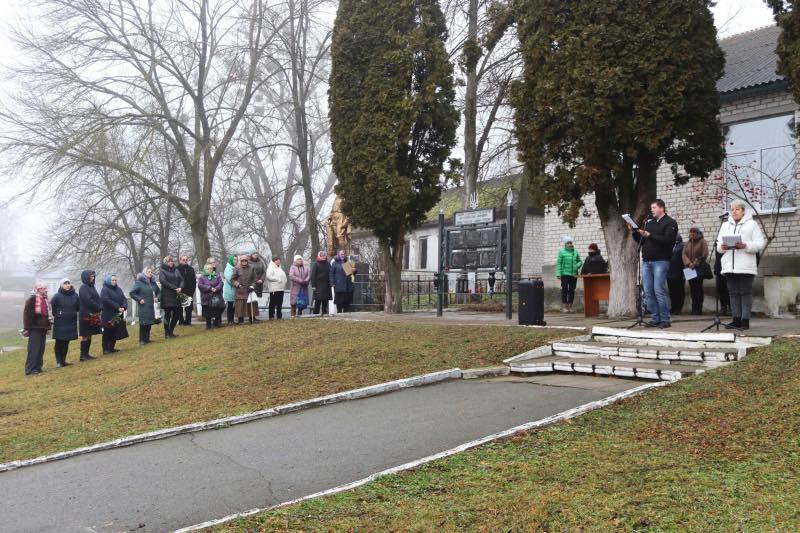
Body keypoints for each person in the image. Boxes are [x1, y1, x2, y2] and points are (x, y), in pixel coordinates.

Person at [717, 200, 766, 330]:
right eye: (732, 209)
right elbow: (718, 246)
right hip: (729, 265)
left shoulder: (752, 224)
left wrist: (745, 245)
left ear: (743, 211)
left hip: (745, 265)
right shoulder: (725, 225)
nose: (734, 212)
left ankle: (745, 320)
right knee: (733, 293)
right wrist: (722, 247)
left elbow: (760, 243)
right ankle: (736, 319)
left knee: (745, 292)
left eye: (737, 209)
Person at [630, 199, 679, 328]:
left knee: (658, 290)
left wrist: (649, 235)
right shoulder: (649, 222)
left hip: (661, 261)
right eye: (651, 207)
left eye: (654, 207)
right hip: (647, 261)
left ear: (661, 208)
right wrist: (634, 232)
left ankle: (665, 319)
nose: (651, 210)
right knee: (648, 291)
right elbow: (642, 240)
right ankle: (655, 318)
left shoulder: (670, 222)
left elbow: (668, 240)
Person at [23, 281, 52, 375]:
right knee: (33, 349)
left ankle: (38, 367)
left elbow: (47, 314)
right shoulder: (32, 300)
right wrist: (27, 328)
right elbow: (27, 315)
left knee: (40, 349)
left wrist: (48, 327)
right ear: (39, 289)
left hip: (43, 328)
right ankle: (30, 369)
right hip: (34, 328)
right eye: (45, 288)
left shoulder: (45, 300)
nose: (46, 290)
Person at [51, 278, 79, 367]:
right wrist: (60, 314)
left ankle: (63, 360)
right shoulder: (57, 296)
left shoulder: (75, 295)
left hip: (71, 322)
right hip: (60, 322)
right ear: (61, 285)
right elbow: (53, 309)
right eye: (65, 283)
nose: (67, 285)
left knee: (66, 342)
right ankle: (59, 361)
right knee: (59, 342)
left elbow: (78, 307)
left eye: (68, 283)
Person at [683, 225, 710, 315]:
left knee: (698, 288)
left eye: (694, 232)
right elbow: (684, 254)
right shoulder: (687, 243)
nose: (692, 234)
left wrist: (694, 263)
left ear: (698, 233)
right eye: (691, 232)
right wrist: (688, 263)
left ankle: (698, 309)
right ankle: (694, 308)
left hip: (698, 268)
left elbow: (705, 253)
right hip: (689, 268)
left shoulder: (702, 241)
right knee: (692, 289)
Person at [130, 267, 161, 345]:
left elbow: (159, 292)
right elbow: (132, 293)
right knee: (143, 323)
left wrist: (158, 298)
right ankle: (142, 340)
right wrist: (139, 299)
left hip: (152, 306)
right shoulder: (139, 282)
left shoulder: (153, 283)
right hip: (144, 306)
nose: (150, 273)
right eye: (148, 272)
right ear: (144, 273)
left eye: (151, 272)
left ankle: (147, 339)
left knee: (149, 322)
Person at [100, 274, 128, 354]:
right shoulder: (105, 290)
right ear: (109, 280)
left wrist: (124, 306)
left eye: (115, 280)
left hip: (118, 314)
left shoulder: (118, 289)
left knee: (115, 330)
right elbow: (106, 300)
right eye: (113, 280)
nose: (114, 282)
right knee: (107, 331)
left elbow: (124, 299)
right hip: (108, 314)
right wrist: (117, 307)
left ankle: (112, 347)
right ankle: (105, 349)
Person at [78, 270, 103, 361]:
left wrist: (100, 306)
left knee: (89, 334)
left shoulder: (92, 287)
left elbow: (97, 298)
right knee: (85, 335)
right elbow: (88, 301)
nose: (93, 278)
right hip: (85, 315)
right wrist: (98, 307)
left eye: (93, 276)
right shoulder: (83, 288)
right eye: (91, 276)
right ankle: (83, 355)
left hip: (93, 314)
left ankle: (87, 354)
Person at [159, 255, 184, 338]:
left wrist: (180, 287)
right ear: (165, 262)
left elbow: (181, 280)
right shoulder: (162, 271)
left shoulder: (176, 270)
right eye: (168, 261)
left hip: (176, 296)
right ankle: (167, 333)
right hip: (167, 296)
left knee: (177, 314)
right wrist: (175, 288)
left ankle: (171, 331)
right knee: (167, 315)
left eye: (171, 261)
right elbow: (163, 281)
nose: (170, 262)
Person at [555, 236, 582, 313]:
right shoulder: (561, 252)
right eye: (568, 243)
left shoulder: (575, 252)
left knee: (572, 290)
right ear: (565, 244)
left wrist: (577, 266)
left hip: (573, 274)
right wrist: (558, 273)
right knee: (565, 290)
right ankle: (565, 307)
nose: (570, 244)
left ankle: (570, 307)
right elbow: (559, 263)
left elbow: (580, 261)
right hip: (564, 274)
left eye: (571, 243)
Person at [198, 258, 225, 328]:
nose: (213, 264)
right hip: (207, 296)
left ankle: (217, 322)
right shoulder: (202, 276)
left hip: (217, 295)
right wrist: (209, 288)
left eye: (214, 262)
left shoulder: (217, 275)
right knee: (208, 311)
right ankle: (208, 324)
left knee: (219, 308)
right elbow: (200, 285)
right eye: (211, 263)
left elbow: (221, 283)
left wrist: (216, 288)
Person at [232, 254, 258, 324]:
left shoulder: (252, 268)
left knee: (251, 304)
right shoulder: (236, 268)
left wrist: (252, 286)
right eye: (242, 261)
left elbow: (255, 279)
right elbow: (233, 279)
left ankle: (252, 318)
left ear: (247, 261)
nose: (244, 262)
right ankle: (240, 319)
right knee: (240, 306)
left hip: (249, 290)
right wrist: (238, 285)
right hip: (240, 290)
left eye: (245, 261)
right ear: (241, 261)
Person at [667, 235, 685, 315]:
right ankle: (673, 307)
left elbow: (684, 257)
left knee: (679, 291)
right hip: (669, 272)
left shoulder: (682, 246)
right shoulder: (669, 246)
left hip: (679, 271)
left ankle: (678, 308)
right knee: (671, 291)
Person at [309, 251, 332, 315]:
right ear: (319, 256)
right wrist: (313, 286)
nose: (324, 257)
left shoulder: (328, 264)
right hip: (318, 286)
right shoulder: (316, 264)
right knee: (317, 301)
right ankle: (315, 314)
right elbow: (313, 276)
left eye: (325, 255)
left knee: (325, 300)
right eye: (322, 256)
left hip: (326, 286)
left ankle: (324, 313)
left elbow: (331, 273)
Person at [177, 255, 197, 326]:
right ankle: (181, 321)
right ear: (180, 260)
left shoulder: (191, 269)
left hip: (189, 291)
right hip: (180, 291)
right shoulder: (177, 269)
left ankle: (188, 321)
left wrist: (192, 290)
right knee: (179, 307)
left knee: (189, 307)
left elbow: (194, 281)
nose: (185, 261)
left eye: (186, 260)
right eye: (183, 260)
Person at [250, 253, 267, 317]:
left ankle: (255, 315)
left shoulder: (260, 262)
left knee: (256, 299)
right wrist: (255, 280)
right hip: (252, 283)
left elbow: (263, 272)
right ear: (251, 255)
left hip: (259, 283)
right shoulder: (249, 262)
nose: (256, 255)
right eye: (254, 254)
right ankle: (251, 315)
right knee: (251, 299)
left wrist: (262, 280)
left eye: (257, 254)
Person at [223, 255, 237, 325]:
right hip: (230, 290)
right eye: (234, 260)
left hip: (234, 290)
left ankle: (232, 320)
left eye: (237, 260)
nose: (236, 261)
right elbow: (230, 279)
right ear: (231, 260)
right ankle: (229, 320)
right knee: (230, 306)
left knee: (233, 306)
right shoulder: (228, 268)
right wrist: (237, 282)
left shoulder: (235, 268)